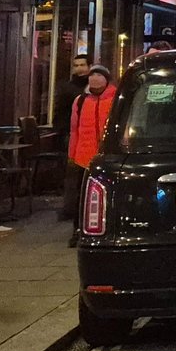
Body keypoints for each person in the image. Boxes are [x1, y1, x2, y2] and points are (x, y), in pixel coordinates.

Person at [64, 65, 117, 246]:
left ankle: (108, 228)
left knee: (109, 195)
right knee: (82, 195)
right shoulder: (80, 101)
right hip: (84, 157)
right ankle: (78, 229)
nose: (95, 78)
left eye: (99, 75)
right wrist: (72, 154)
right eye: (92, 74)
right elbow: (74, 130)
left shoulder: (116, 98)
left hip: (108, 156)